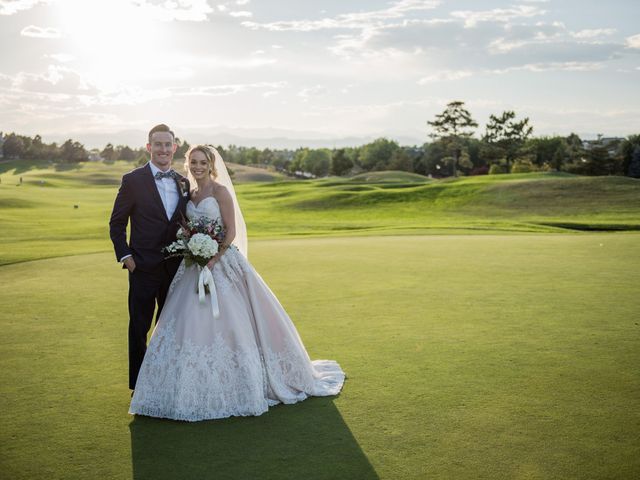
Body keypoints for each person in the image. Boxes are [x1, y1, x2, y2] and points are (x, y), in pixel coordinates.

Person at [129, 145, 345, 421]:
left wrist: (213, 257)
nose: (197, 166)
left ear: (211, 164)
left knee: (234, 321)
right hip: (193, 265)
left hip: (221, 264)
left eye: (202, 162)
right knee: (184, 322)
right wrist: (191, 246)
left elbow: (230, 232)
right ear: (188, 164)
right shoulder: (190, 193)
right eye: (193, 162)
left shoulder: (220, 192)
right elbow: (186, 226)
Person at [109, 124, 190, 393]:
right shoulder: (132, 180)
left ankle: (164, 379)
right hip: (142, 267)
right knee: (139, 327)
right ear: (149, 147)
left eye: (168, 145)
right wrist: (126, 257)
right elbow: (117, 223)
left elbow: (186, 223)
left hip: (175, 267)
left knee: (168, 327)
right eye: (158, 144)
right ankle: (138, 385)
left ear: (175, 147)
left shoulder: (183, 182)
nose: (163, 149)